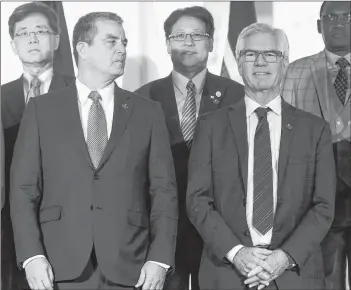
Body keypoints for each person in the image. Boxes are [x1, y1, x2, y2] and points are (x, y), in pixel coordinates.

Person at [10, 11, 178, 290]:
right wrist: (31, 255)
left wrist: (160, 259)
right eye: (111, 41)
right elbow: (23, 189)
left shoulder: (148, 112)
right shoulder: (41, 110)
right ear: (82, 49)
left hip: (132, 268)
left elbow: (164, 192)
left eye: (124, 42)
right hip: (57, 267)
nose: (122, 49)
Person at [186, 23, 336, 290]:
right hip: (227, 272)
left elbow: (323, 206)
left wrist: (284, 257)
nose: (260, 62)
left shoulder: (315, 129)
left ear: (285, 62)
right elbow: (198, 201)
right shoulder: (210, 126)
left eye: (271, 54)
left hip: (294, 275)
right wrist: (236, 252)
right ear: (239, 63)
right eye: (250, 54)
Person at [135, 6, 244, 290]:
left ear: (211, 42)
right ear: (168, 43)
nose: (188, 41)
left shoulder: (238, 96)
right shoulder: (141, 98)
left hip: (222, 230)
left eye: (197, 35)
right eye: (180, 35)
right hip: (162, 229)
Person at [1, 3, 74, 289]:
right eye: (23, 33)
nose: (32, 38)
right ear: (13, 44)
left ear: (56, 39)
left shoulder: (80, 92)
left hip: (66, 222)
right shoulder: (0, 96)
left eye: (41, 31)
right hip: (7, 230)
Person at [282, 1, 350, 289]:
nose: (339, 22)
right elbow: (283, 137)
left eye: (347, 16)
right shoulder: (296, 72)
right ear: (319, 25)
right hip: (318, 200)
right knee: (325, 279)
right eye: (330, 17)